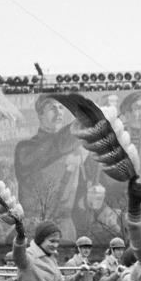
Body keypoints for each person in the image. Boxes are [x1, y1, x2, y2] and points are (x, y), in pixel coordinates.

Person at [14, 95, 87, 238]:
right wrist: (84, 122)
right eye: (52, 108)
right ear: (40, 114)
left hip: (65, 228)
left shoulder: (73, 147)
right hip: (35, 226)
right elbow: (54, 147)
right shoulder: (26, 149)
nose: (59, 112)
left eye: (61, 108)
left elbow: (81, 192)